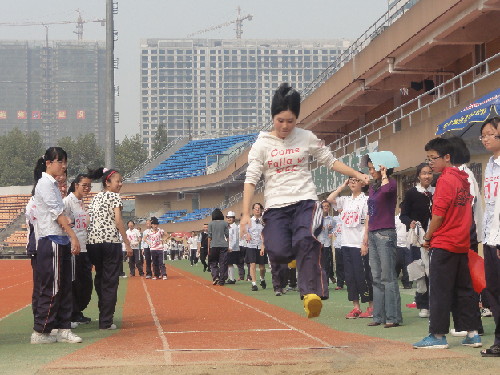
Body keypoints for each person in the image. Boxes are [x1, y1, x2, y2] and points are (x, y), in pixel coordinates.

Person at [241, 83, 369, 318]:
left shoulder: (306, 137)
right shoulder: (261, 144)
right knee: (276, 252)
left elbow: (330, 161)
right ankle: (292, 259)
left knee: (306, 239)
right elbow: (251, 179)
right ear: (273, 117)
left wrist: (356, 174)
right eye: (280, 120)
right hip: (276, 206)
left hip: (305, 202)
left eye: (291, 121)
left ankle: (311, 294)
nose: (285, 126)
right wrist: (246, 214)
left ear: (297, 119)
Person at [413, 137, 480, 349]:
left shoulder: (444, 180)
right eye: (428, 158)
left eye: (434, 158)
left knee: (440, 290)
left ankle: (438, 335)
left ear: (447, 157)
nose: (430, 163)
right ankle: (472, 333)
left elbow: (438, 215)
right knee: (464, 290)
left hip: (444, 243)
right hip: (461, 243)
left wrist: (427, 237)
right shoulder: (464, 179)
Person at [29, 147, 82, 344]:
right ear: (49, 163)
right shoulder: (44, 184)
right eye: (60, 161)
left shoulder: (52, 185)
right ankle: (41, 331)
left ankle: (63, 327)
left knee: (65, 286)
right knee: (52, 287)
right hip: (51, 241)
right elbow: (58, 216)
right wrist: (73, 237)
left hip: (59, 241)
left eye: (65, 161)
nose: (64, 165)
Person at [87, 168, 133, 330]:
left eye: (121, 181)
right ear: (107, 183)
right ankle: (106, 321)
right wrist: (127, 243)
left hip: (92, 243)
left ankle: (103, 315)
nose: (120, 184)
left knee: (100, 278)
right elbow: (119, 221)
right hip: (109, 242)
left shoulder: (95, 198)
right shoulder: (114, 196)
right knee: (110, 281)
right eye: (118, 181)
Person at [362, 154, 402, 328]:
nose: (370, 171)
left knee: (388, 277)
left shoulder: (390, 183)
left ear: (382, 167)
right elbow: (370, 212)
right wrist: (365, 236)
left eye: (372, 168)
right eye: (369, 168)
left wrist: (385, 175)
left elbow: (387, 193)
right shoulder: (373, 187)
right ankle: (379, 316)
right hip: (373, 233)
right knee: (376, 277)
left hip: (386, 233)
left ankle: (393, 317)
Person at [328, 176, 373, 319]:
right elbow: (330, 199)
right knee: (350, 277)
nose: (352, 182)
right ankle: (356, 307)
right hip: (345, 244)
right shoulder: (345, 200)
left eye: (356, 180)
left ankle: (371, 307)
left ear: (362, 183)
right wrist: (342, 186)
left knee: (364, 276)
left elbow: (368, 222)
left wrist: (365, 242)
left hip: (359, 244)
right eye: (350, 180)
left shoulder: (366, 200)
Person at [400, 163, 433, 318]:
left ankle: (435, 304)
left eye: (430, 173)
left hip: (434, 238)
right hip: (417, 239)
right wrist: (410, 222)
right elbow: (403, 215)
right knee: (420, 272)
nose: (427, 176)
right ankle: (423, 305)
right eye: (424, 173)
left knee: (433, 271)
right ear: (418, 175)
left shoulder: (436, 192)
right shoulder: (412, 193)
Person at [479, 117, 500, 357]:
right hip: (491, 238)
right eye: (483, 134)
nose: (485, 138)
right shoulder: (490, 164)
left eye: (490, 134)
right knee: (493, 291)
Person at [64, 173, 94, 326]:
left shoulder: (82, 203)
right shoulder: (67, 202)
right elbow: (62, 223)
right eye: (84, 185)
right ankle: (71, 314)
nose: (87, 188)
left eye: (89, 185)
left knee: (86, 283)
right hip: (73, 249)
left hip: (84, 248)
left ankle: (77, 311)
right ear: (76, 185)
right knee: (74, 283)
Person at [244, 203, 267, 291]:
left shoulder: (264, 221)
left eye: (259, 208)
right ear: (253, 210)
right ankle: (254, 284)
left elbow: (266, 233)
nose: (257, 210)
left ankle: (262, 278)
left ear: (261, 210)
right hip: (251, 245)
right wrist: (247, 235)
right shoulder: (248, 221)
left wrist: (263, 246)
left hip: (261, 246)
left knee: (262, 267)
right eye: (255, 208)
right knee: (252, 264)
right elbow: (244, 232)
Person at [208, 208, 229, 286]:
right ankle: (222, 280)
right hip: (223, 245)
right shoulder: (225, 223)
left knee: (213, 262)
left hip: (213, 245)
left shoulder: (210, 224)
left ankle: (215, 276)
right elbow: (227, 236)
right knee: (223, 263)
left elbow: (209, 236)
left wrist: (208, 248)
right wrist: (228, 245)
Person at [317, 201, 335, 286]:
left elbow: (334, 230)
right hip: (318, 243)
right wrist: (320, 228)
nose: (326, 207)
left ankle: (326, 282)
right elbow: (312, 230)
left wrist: (332, 230)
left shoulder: (331, 219)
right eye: (324, 206)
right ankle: (319, 281)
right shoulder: (317, 219)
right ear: (321, 208)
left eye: (327, 206)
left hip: (327, 243)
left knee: (327, 264)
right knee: (319, 263)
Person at [394, 203, 412, 289]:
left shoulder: (411, 219)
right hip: (397, 245)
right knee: (397, 264)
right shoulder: (395, 219)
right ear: (399, 209)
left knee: (408, 266)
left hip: (408, 246)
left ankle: (407, 283)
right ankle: (393, 281)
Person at [226, 211, 244, 283]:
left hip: (233, 249)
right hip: (229, 247)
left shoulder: (235, 227)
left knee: (230, 263)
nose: (229, 219)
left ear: (233, 218)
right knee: (229, 264)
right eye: (228, 217)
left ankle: (232, 279)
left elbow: (235, 239)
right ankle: (231, 278)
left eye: (230, 218)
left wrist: (230, 247)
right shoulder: (228, 227)